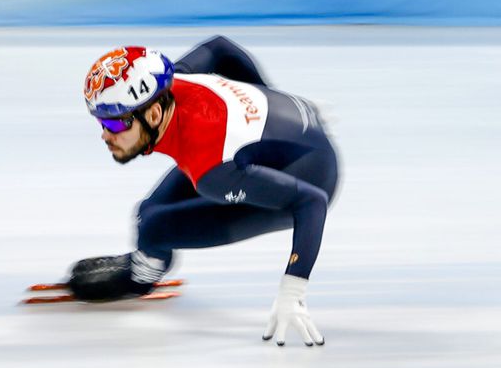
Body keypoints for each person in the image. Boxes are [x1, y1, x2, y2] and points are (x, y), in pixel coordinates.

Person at [71, 36, 339, 347]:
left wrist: (293, 289)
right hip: (278, 136)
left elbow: (312, 202)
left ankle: (140, 278)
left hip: (312, 176)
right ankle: (149, 258)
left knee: (156, 229)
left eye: (116, 124)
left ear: (154, 114)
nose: (106, 135)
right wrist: (272, 99)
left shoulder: (213, 171)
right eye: (101, 122)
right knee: (147, 214)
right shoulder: (177, 77)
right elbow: (220, 48)